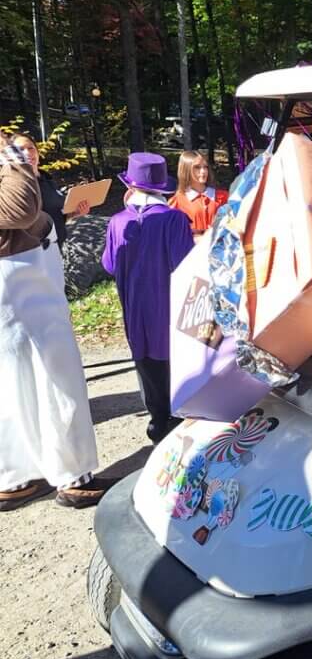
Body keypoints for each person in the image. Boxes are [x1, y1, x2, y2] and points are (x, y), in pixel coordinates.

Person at [0, 142, 112, 510]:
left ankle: (15, 477)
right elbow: (20, 209)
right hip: (23, 290)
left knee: (13, 385)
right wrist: (13, 158)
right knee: (57, 382)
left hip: (21, 285)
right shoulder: (10, 161)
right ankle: (74, 477)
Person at [102, 153, 194, 443]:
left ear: (131, 186)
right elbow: (186, 264)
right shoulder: (174, 219)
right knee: (173, 360)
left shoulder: (117, 222)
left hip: (134, 305)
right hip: (168, 304)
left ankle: (157, 419)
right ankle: (178, 420)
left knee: (145, 361)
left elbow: (109, 264)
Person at [11, 133, 89, 253]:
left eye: (31, 148)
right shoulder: (12, 185)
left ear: (37, 153)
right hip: (31, 253)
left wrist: (74, 213)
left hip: (56, 247)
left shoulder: (47, 179)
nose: (27, 153)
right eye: (20, 149)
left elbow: (55, 214)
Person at [168, 150, 228, 235]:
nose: (203, 171)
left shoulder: (223, 197)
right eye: (197, 167)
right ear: (186, 170)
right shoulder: (177, 202)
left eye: (205, 167)